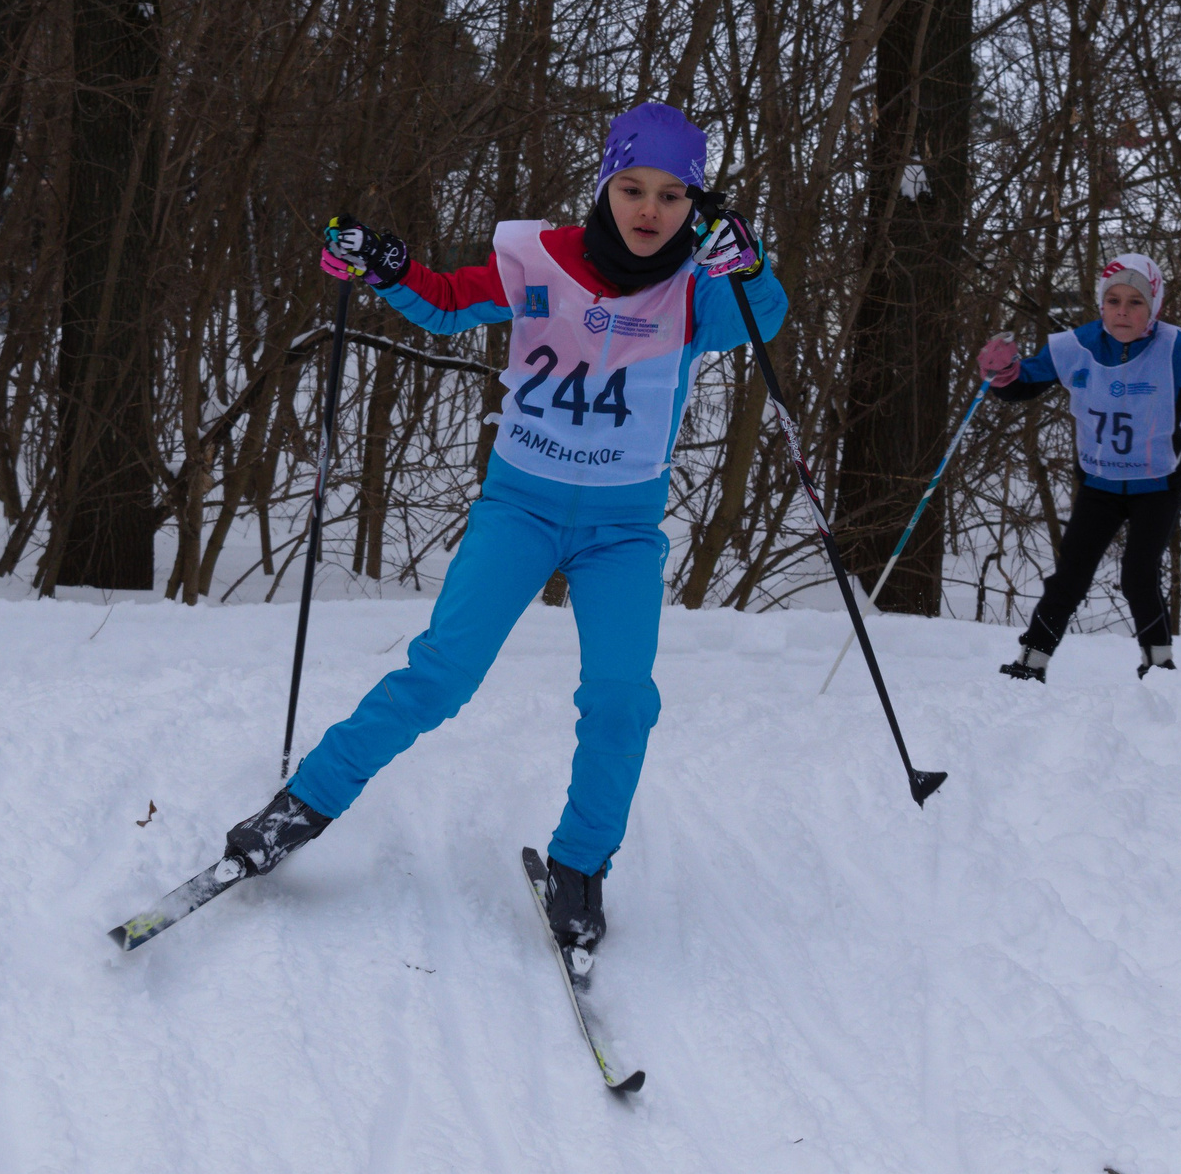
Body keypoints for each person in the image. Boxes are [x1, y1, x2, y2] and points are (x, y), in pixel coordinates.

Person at [218, 101, 787, 958]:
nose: (648, 210)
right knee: (441, 674)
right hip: (519, 508)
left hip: (622, 533)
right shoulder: (539, 259)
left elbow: (764, 320)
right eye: (631, 188)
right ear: (605, 184)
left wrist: (751, 265)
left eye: (673, 196)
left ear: (696, 205)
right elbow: (447, 304)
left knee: (622, 700)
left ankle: (580, 868)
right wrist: (382, 263)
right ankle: (300, 807)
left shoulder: (698, 292)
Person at [976, 253, 1181, 682]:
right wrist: (1002, 372)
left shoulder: (1176, 348)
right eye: (1113, 300)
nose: (1123, 311)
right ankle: (1031, 661)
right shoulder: (1073, 346)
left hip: (1157, 483)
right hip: (1099, 482)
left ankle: (1159, 664)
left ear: (1154, 306)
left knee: (1138, 576)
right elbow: (1022, 383)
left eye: (1135, 302)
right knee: (1070, 577)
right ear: (1100, 304)